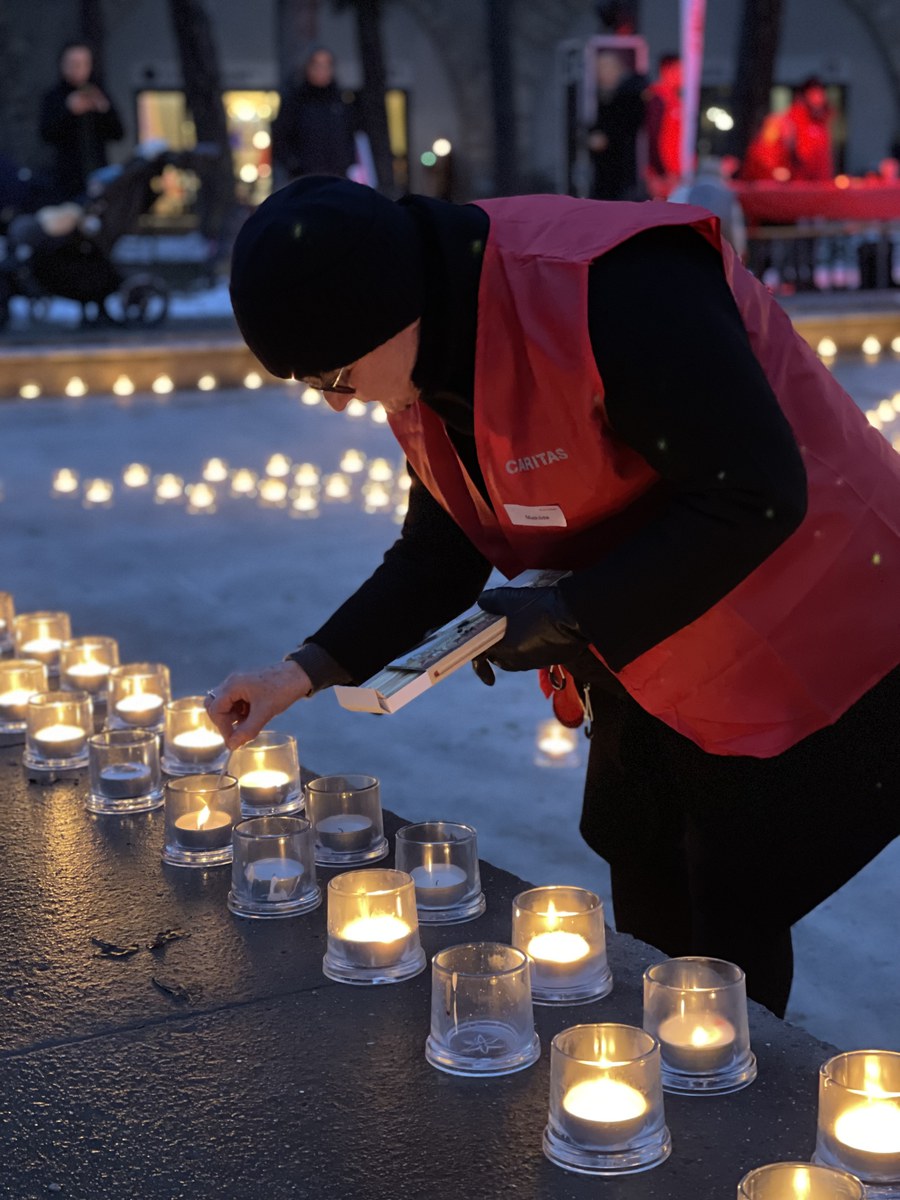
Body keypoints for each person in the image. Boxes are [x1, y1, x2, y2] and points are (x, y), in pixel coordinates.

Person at [211, 176, 900, 1019]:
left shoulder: (613, 290)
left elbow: (754, 495)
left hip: (818, 610)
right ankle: (668, 1053)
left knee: (731, 895)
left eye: (336, 375)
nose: (333, 400)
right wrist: (303, 671)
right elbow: (444, 545)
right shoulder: (418, 351)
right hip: (655, 629)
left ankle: (724, 1080)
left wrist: (572, 613)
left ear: (390, 309)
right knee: (640, 844)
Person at [39, 41, 124, 201]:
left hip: (98, 174)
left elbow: (118, 134)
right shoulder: (54, 97)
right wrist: (68, 111)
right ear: (63, 65)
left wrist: (103, 109)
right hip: (66, 180)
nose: (79, 69)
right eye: (74, 63)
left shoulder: (98, 92)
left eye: (84, 63)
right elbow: (46, 134)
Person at [271, 46, 357, 185]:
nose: (321, 71)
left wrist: (348, 162)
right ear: (308, 68)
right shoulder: (295, 101)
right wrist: (294, 165)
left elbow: (351, 135)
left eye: (326, 66)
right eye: (317, 65)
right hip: (304, 179)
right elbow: (280, 138)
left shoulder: (341, 102)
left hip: (337, 178)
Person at [586, 50, 646, 201]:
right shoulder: (602, 97)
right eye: (599, 69)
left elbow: (627, 125)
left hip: (621, 171)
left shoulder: (628, 96)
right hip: (606, 172)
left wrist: (605, 137)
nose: (602, 73)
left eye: (606, 67)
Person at [645, 53, 682, 199]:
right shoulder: (657, 99)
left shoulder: (674, 100)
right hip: (664, 173)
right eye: (680, 70)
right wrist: (660, 171)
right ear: (667, 70)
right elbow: (653, 135)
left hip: (675, 172)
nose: (683, 75)